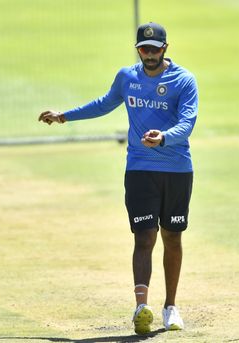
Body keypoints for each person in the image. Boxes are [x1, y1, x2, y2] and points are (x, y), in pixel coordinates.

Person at [38, 22, 198, 335]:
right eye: (143, 49)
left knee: (172, 237)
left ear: (165, 48)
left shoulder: (184, 80)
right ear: (138, 49)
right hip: (139, 168)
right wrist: (63, 116)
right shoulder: (128, 77)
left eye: (154, 49)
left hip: (176, 169)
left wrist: (164, 137)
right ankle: (141, 306)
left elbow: (187, 123)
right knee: (144, 236)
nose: (149, 54)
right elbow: (104, 103)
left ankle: (171, 307)